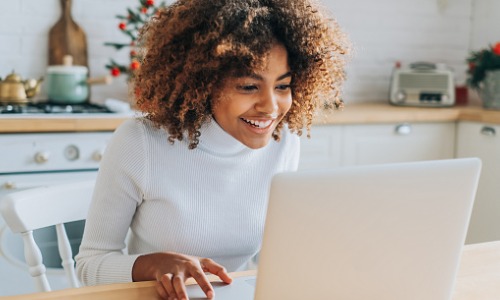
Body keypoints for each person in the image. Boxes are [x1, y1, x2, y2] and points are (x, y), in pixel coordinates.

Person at [75, 0, 349, 299]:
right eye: (248, 86)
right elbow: (89, 266)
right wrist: (152, 265)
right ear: (204, 83)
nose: (271, 107)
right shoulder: (140, 143)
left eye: (282, 86)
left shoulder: (283, 141)